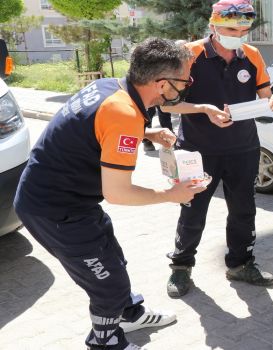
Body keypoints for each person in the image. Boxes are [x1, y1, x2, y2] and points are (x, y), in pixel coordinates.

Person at [13, 38, 212, 350]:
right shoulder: (124, 114)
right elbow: (118, 193)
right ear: (162, 84)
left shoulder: (111, 87)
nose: (188, 86)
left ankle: (129, 315)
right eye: (185, 81)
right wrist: (170, 194)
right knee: (107, 283)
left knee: (114, 260)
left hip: (72, 200)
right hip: (54, 209)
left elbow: (90, 125)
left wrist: (146, 133)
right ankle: (105, 341)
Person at [161, 0, 273, 298]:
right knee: (193, 210)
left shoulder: (252, 55)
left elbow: (265, 96)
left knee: (244, 210)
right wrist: (204, 109)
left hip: (243, 148)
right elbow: (167, 101)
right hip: (197, 150)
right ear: (213, 25)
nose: (239, 33)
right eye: (232, 28)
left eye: (244, 28)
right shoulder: (189, 54)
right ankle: (181, 267)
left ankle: (241, 263)